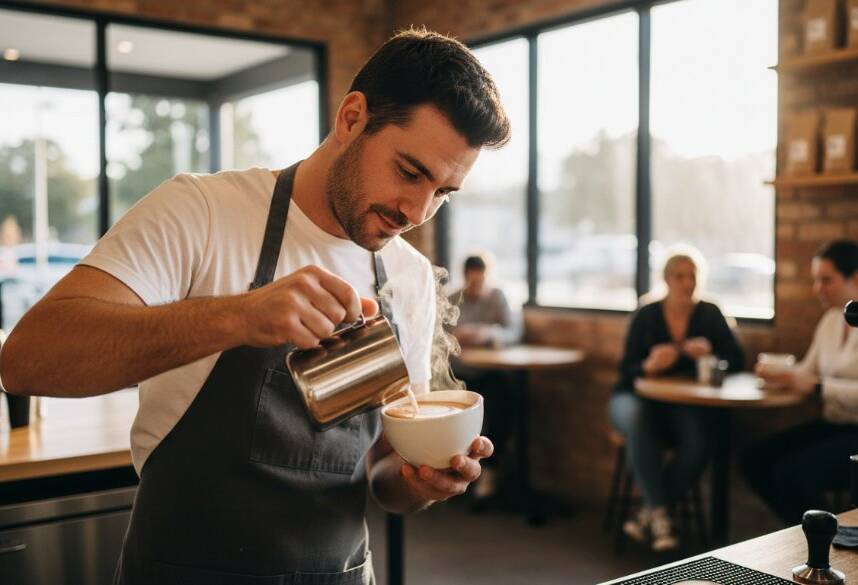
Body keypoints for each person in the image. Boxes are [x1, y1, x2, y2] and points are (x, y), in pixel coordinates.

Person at [0, 28, 509, 585]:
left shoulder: (408, 277)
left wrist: (418, 483)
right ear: (351, 118)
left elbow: (385, 467)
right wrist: (238, 316)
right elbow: (28, 359)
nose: (417, 210)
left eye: (443, 193)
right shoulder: (202, 211)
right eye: (410, 172)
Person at [742, 240, 858, 526]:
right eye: (816, 280)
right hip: (836, 425)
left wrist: (819, 387)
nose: (817, 288)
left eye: (826, 280)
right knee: (754, 460)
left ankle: (832, 535)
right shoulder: (831, 320)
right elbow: (807, 371)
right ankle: (809, 532)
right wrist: (778, 374)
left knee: (791, 475)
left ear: (855, 278)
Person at [608, 249, 744, 551]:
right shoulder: (647, 314)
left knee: (699, 441)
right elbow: (626, 369)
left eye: (692, 275)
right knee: (639, 421)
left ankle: (653, 511)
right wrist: (648, 365)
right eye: (680, 276)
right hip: (632, 396)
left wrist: (711, 352)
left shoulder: (710, 313)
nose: (687, 283)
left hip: (679, 404)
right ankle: (659, 513)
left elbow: (737, 359)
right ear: (666, 279)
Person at [449, 254, 522, 500]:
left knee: (506, 402)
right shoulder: (454, 299)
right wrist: (458, 336)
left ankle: (490, 467)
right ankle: (458, 470)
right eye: (473, 281)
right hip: (460, 372)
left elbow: (514, 332)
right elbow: (439, 336)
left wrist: (488, 334)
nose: (477, 285)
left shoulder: (497, 297)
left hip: (490, 372)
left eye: (480, 280)